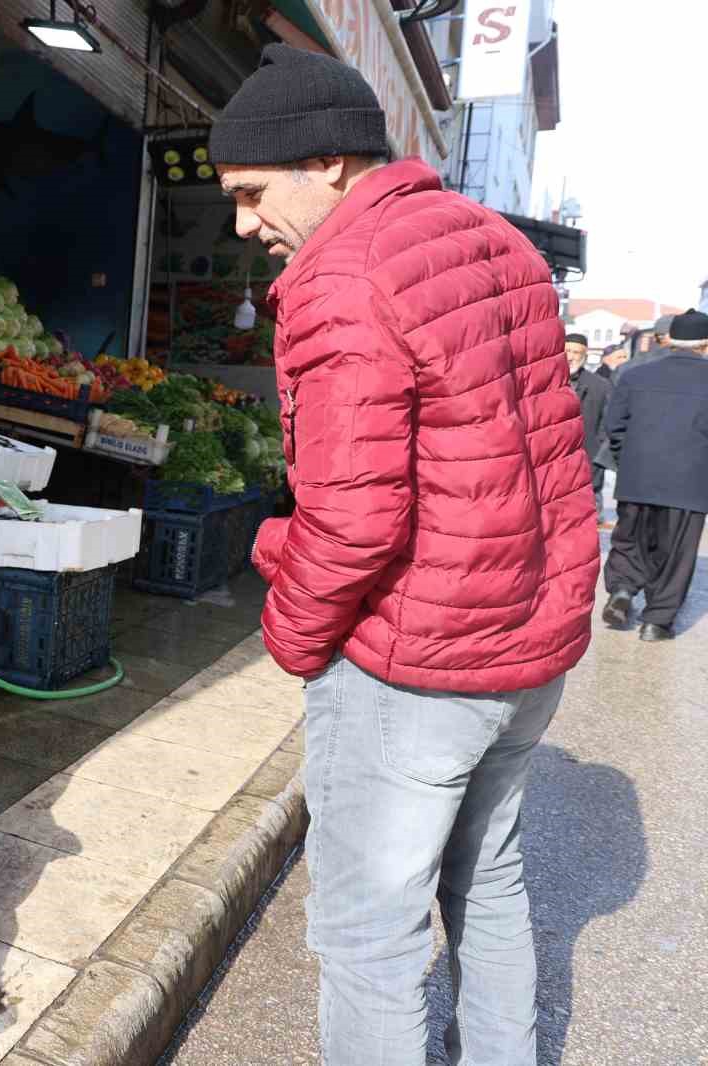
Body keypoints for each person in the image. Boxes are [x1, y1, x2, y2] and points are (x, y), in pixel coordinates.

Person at [210, 43, 598, 1065]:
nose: (243, 225)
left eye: (250, 193)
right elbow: (539, 451)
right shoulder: (499, 242)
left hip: (417, 661)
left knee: (368, 936)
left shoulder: (340, 273)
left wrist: (290, 637)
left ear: (325, 161)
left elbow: (352, 519)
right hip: (530, 644)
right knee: (492, 880)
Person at [599, 308, 708, 641]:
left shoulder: (635, 374)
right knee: (675, 553)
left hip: (637, 478)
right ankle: (656, 622)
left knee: (630, 539)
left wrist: (629, 462)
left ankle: (622, 589)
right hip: (689, 484)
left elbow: (614, 427)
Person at [566, 331, 611, 505]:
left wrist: (599, 455)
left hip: (588, 461)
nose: (570, 357)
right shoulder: (543, 382)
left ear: (584, 355)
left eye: (576, 353)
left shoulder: (600, 386)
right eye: (567, 351)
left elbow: (606, 425)